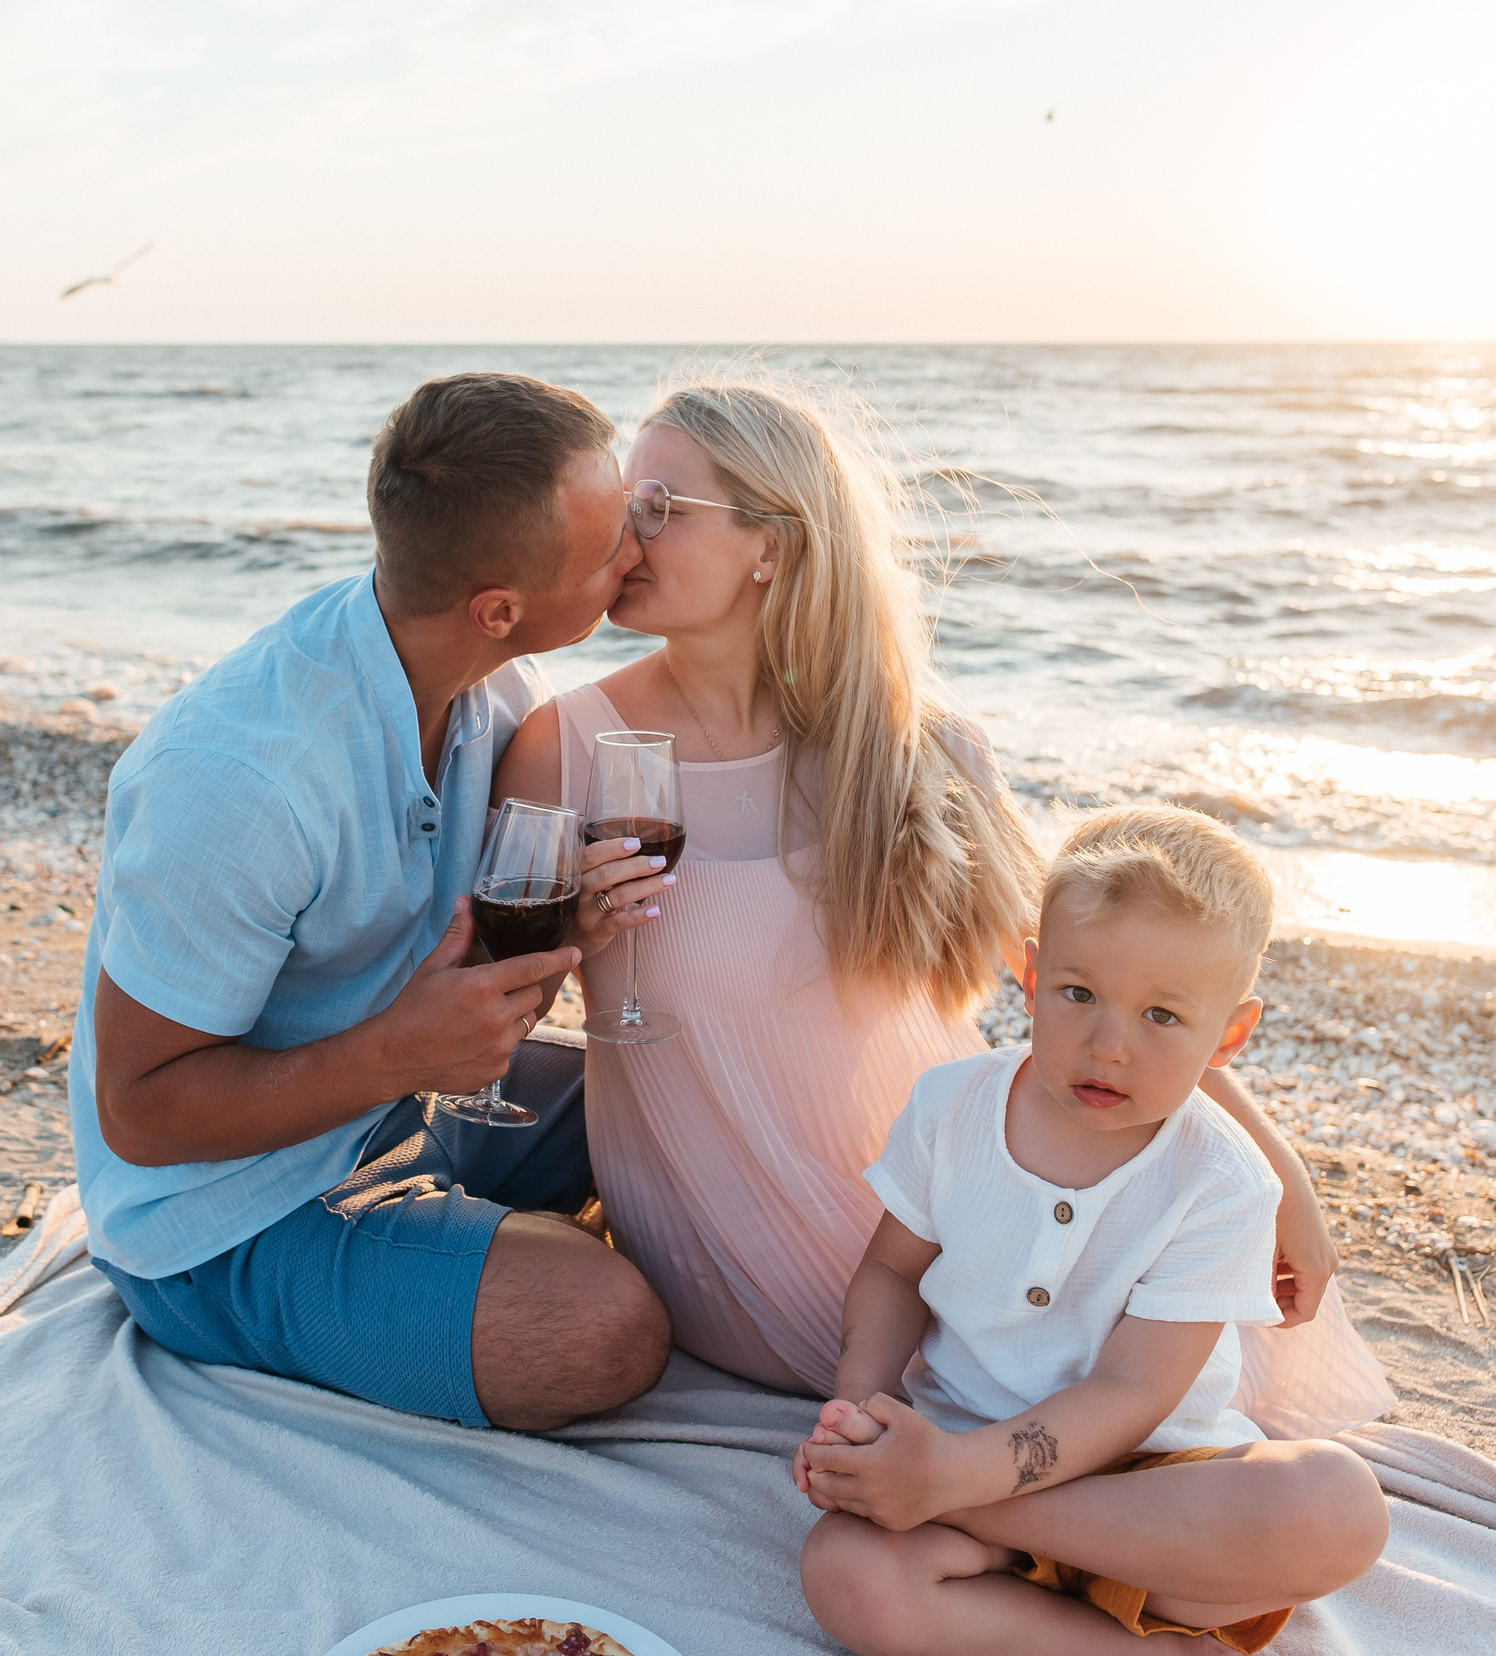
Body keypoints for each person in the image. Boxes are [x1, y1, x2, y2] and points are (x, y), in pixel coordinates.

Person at [491, 374, 1342, 1398]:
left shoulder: (913, 750)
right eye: (627, 502)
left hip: (965, 1206)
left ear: (774, 542)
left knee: (1167, 1418)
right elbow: (496, 1009)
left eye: (663, 507)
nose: (627, 533)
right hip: (733, 1249)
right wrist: (565, 931)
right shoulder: (565, 744)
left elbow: (1098, 979)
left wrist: (1277, 1172)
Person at [71, 371, 682, 1433]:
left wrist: (564, 928)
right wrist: (396, 1056)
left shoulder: (494, 688)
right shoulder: (239, 781)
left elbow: (458, 956)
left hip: (403, 1105)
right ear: (501, 607)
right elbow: (140, 1113)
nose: (638, 548)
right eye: (609, 543)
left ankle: (450, 1248)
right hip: (226, 1213)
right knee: (602, 1327)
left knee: (689, 1105)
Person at [794, 806, 1389, 1655]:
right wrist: (860, 1412)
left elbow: (1131, 1391)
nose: (1108, 1045)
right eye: (1080, 994)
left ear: (1229, 1035)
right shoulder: (951, 1106)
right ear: (1032, 978)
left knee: (1336, 1508)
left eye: (1162, 1017)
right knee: (848, 1571)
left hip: (1147, 1497)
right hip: (965, 1441)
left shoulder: (1222, 1181)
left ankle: (954, 1502)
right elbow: (892, 1272)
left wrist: (946, 1482)